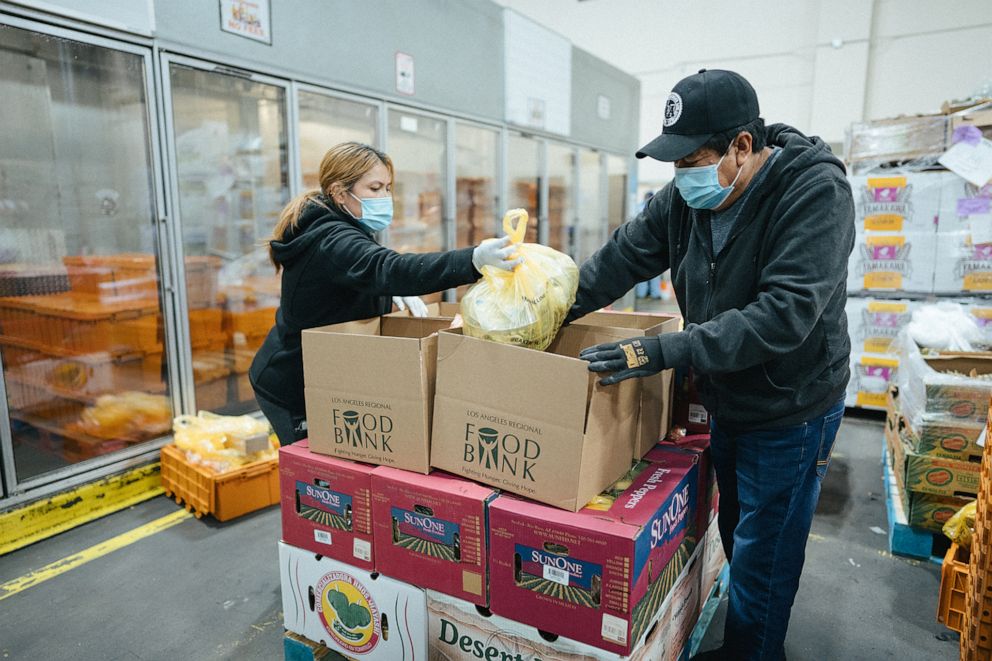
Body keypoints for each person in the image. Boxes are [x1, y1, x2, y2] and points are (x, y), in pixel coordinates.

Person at [573, 70, 855, 661]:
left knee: (764, 552)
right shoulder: (684, 198)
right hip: (726, 393)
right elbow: (622, 258)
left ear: (742, 148)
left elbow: (783, 315)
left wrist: (661, 350)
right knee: (736, 534)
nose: (681, 179)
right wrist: (547, 309)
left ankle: (755, 653)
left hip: (791, 404)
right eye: (673, 165)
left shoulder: (814, 194)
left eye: (692, 161)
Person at [249, 142, 519, 446]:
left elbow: (369, 272)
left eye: (388, 188)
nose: (385, 198)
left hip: (327, 374)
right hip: (292, 385)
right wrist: (471, 260)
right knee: (314, 475)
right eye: (375, 188)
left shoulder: (343, 226)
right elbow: (386, 267)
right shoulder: (331, 239)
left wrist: (387, 294)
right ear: (339, 192)